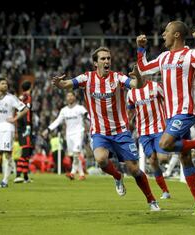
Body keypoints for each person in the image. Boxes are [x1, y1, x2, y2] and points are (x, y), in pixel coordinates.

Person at [51, 47, 160, 211]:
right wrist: (59, 83)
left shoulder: (117, 77)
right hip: (100, 131)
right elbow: (67, 84)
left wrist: (137, 75)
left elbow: (136, 85)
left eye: (108, 58)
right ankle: (117, 176)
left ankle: (151, 200)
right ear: (95, 63)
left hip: (121, 131)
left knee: (134, 169)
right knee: (101, 160)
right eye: (103, 59)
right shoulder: (86, 78)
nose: (107, 61)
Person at [136, 21, 195, 215]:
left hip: (185, 111)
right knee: (184, 157)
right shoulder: (164, 57)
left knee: (164, 144)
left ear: (177, 35)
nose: (163, 34)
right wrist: (141, 48)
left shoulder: (190, 54)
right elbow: (144, 69)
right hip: (171, 115)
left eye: (166, 31)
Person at [127, 78, 171, 199]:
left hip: (159, 129)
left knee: (163, 159)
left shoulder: (156, 86)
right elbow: (130, 111)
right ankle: (165, 191)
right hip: (143, 132)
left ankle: (173, 146)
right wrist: (128, 123)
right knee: (152, 161)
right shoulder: (131, 92)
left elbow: (168, 100)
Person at [0, 78, 29, 188]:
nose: (5, 85)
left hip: (8, 128)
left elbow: (25, 109)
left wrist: (15, 118)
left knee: (7, 154)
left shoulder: (11, 98)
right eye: (2, 83)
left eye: (6, 84)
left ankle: (5, 181)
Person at [42, 91, 88, 180]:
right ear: (66, 98)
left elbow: (87, 115)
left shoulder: (80, 108)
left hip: (78, 132)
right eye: (68, 96)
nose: (70, 97)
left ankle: (72, 172)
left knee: (76, 152)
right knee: (73, 155)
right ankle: (81, 174)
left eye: (71, 96)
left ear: (75, 97)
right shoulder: (64, 110)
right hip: (69, 134)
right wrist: (47, 130)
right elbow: (57, 121)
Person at [14, 81, 34, 183]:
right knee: (25, 152)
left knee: (27, 152)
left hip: (21, 127)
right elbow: (27, 113)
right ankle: (18, 175)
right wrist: (28, 126)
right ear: (31, 86)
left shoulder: (21, 97)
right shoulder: (28, 96)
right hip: (25, 127)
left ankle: (25, 177)